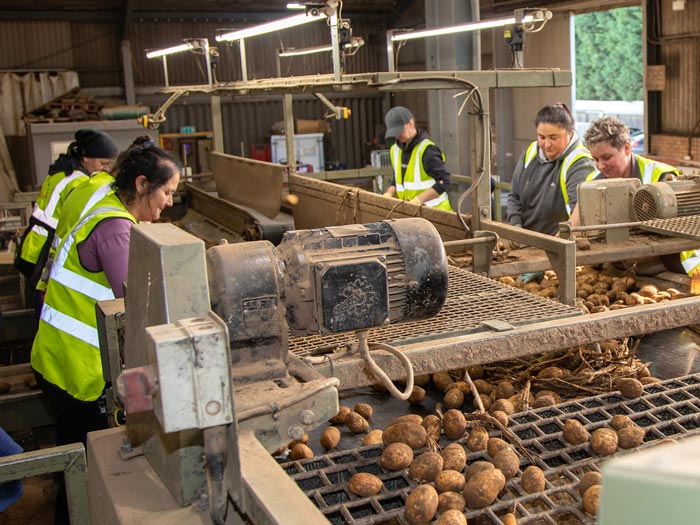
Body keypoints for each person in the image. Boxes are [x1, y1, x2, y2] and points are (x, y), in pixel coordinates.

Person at [30, 138, 180, 524]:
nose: (169, 203)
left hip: (54, 352)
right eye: (167, 192)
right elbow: (139, 311)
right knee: (92, 464)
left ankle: (65, 507)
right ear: (143, 183)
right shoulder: (117, 230)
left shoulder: (97, 191)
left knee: (71, 452)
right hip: (82, 368)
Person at [582, 116, 700, 277]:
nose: (601, 166)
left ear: (627, 148)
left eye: (607, 157)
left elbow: (668, 234)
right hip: (624, 271)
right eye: (595, 159)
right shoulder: (593, 182)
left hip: (674, 270)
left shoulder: (661, 176)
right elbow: (576, 227)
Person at [15, 129, 118, 288]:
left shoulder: (60, 171)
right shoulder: (79, 181)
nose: (105, 169)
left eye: (109, 165)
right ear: (86, 158)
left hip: (32, 244)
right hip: (44, 250)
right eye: (102, 163)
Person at [507, 103, 597, 237]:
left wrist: (557, 244)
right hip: (526, 241)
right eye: (541, 137)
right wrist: (517, 228)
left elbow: (580, 219)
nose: (547, 145)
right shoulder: (531, 152)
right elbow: (514, 196)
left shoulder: (580, 163)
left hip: (558, 244)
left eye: (554, 138)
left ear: (570, 132)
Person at [381, 106, 453, 211]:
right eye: (394, 133)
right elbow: (397, 180)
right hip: (412, 213)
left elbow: (444, 181)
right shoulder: (395, 150)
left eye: (400, 131)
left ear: (410, 123)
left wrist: (418, 201)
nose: (397, 136)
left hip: (436, 213)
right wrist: (389, 193)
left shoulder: (427, 150)